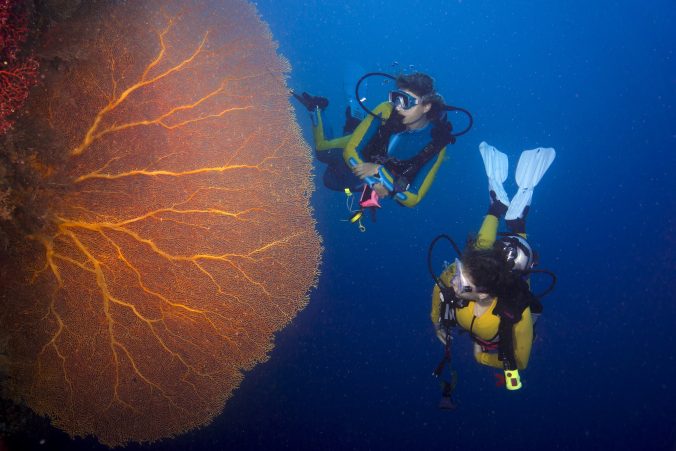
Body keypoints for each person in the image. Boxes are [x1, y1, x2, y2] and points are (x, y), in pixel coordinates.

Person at [430, 142, 556, 391]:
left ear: (484, 292)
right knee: (482, 254)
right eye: (459, 271)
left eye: (463, 282)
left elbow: (520, 359)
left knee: (522, 277)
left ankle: (513, 220)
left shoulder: (514, 315)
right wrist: (436, 321)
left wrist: (482, 357)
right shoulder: (461, 279)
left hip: (499, 312)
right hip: (485, 303)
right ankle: (502, 211)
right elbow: (440, 286)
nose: (454, 280)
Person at [295, 72, 456, 212]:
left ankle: (354, 120)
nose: (398, 107)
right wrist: (376, 181)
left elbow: (415, 197)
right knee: (322, 151)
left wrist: (380, 174)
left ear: (426, 106)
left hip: (372, 166)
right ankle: (316, 108)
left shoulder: (436, 145)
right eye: (395, 98)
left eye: (405, 101)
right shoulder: (386, 109)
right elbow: (350, 151)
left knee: (332, 182)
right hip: (361, 149)